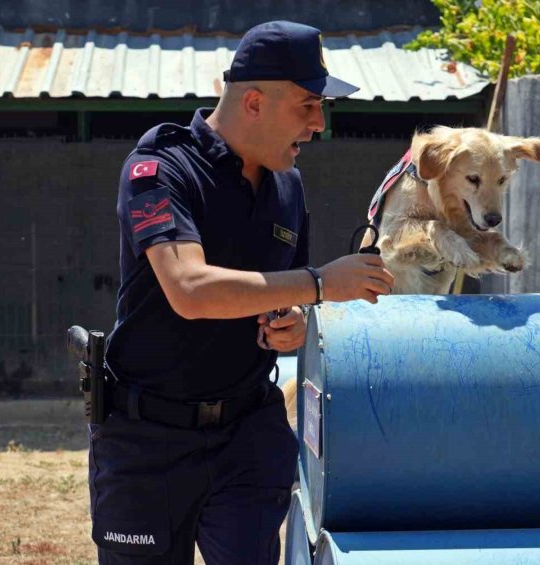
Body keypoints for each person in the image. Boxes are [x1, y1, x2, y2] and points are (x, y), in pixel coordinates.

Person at [91, 20, 394, 564]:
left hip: (248, 435)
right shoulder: (159, 169)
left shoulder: (287, 185)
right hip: (148, 438)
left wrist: (294, 322)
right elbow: (189, 289)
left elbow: (286, 293)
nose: (319, 125)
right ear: (254, 101)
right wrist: (323, 284)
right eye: (307, 105)